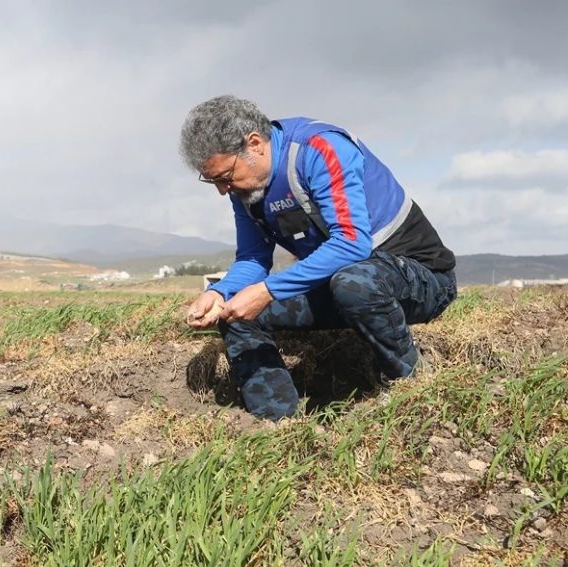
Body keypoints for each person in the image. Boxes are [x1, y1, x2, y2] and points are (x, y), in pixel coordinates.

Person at [179, 95, 456, 420]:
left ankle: (412, 383)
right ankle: (279, 425)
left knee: (353, 283)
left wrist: (268, 291)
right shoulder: (245, 189)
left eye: (225, 177)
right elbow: (254, 258)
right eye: (212, 181)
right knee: (236, 313)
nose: (223, 191)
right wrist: (220, 293)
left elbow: (351, 245)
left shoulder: (319, 149)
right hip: (341, 286)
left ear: (254, 144)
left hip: (419, 279)